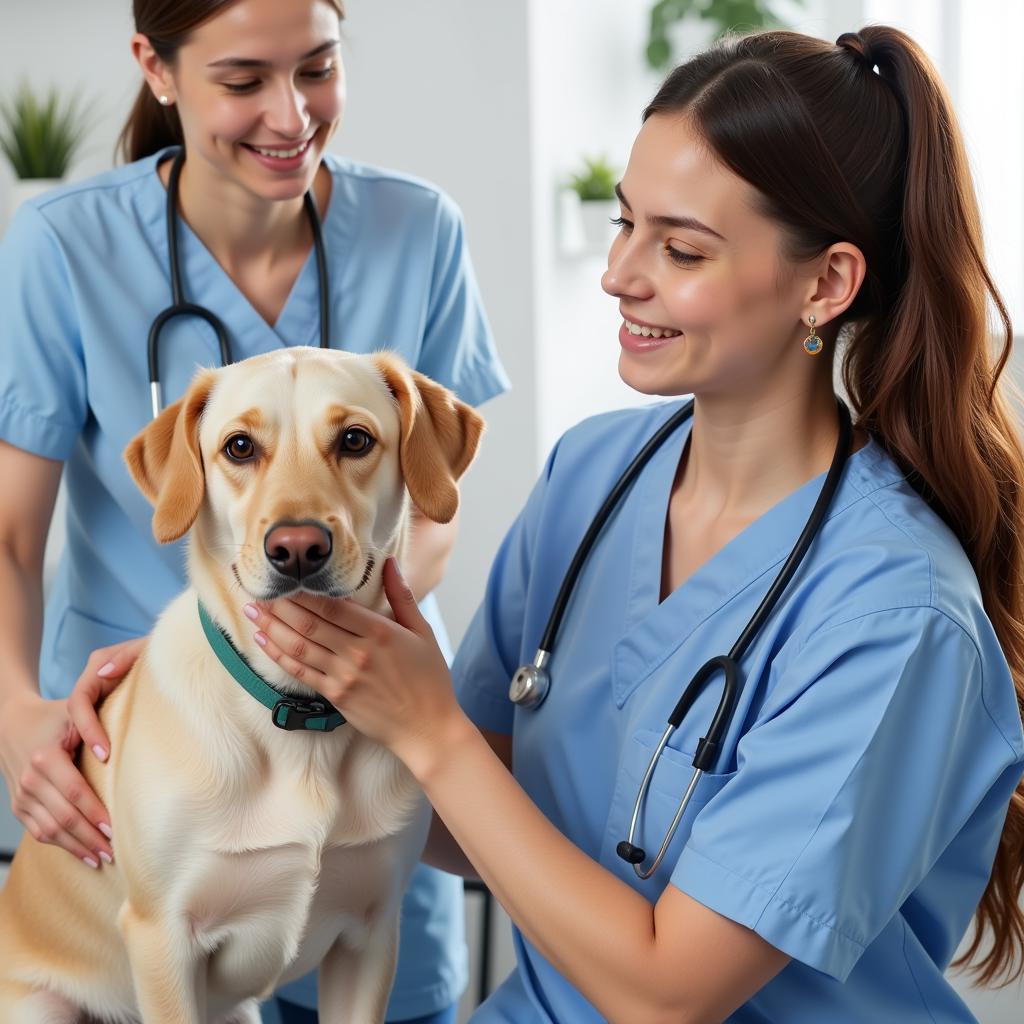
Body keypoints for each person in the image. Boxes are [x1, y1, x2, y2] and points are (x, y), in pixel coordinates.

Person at [223, 25, 1024, 1023]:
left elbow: (667, 992)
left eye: (680, 248)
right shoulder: (593, 474)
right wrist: (264, 704)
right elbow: (480, 817)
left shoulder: (895, 609)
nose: (619, 274)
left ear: (824, 284)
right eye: (624, 224)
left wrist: (429, 730)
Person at [0, 1, 509, 1023]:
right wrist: (18, 718)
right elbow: (11, 533)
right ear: (156, 66)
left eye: (317, 69)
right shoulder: (65, 246)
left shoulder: (418, 228)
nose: (291, 114)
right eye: (243, 82)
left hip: (372, 709)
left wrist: (349, 623)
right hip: (155, 745)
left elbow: (435, 499)